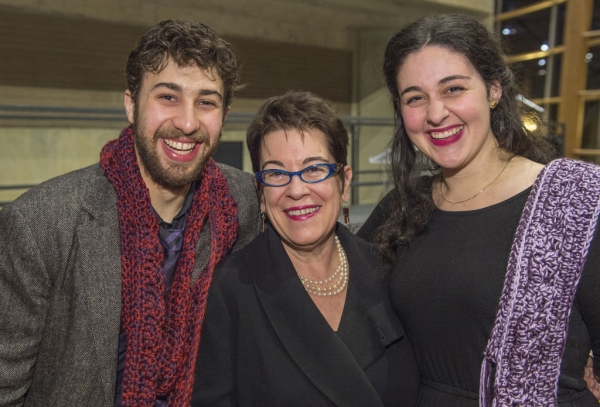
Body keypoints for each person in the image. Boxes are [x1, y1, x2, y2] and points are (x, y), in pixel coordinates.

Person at [0, 20, 261, 406]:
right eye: (168, 97)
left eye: (206, 102)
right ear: (130, 104)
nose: (187, 123)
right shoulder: (42, 224)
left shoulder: (241, 201)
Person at [358, 13, 600, 406]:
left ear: (493, 90)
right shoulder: (402, 207)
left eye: (453, 89)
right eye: (416, 97)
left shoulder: (573, 201)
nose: (436, 114)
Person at [191, 90, 420, 406]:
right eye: (276, 173)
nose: (296, 190)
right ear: (260, 192)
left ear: (344, 182)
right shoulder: (229, 292)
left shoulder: (387, 270)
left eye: (314, 169)